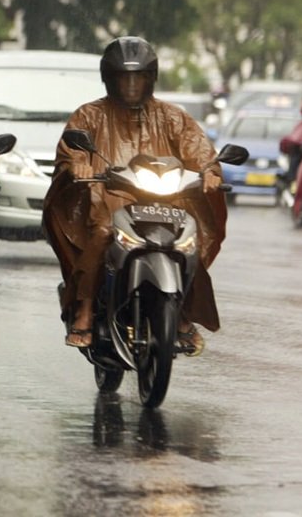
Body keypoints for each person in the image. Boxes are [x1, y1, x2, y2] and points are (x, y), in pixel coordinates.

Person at [43, 36, 225, 355]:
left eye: (138, 76)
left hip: (166, 201)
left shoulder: (172, 116)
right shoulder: (90, 115)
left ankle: (180, 313)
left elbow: (198, 147)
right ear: (110, 79)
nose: (130, 84)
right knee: (101, 232)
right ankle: (84, 311)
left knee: (189, 238)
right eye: (123, 77)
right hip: (110, 198)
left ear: (149, 78)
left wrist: (210, 170)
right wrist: (79, 166)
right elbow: (72, 150)